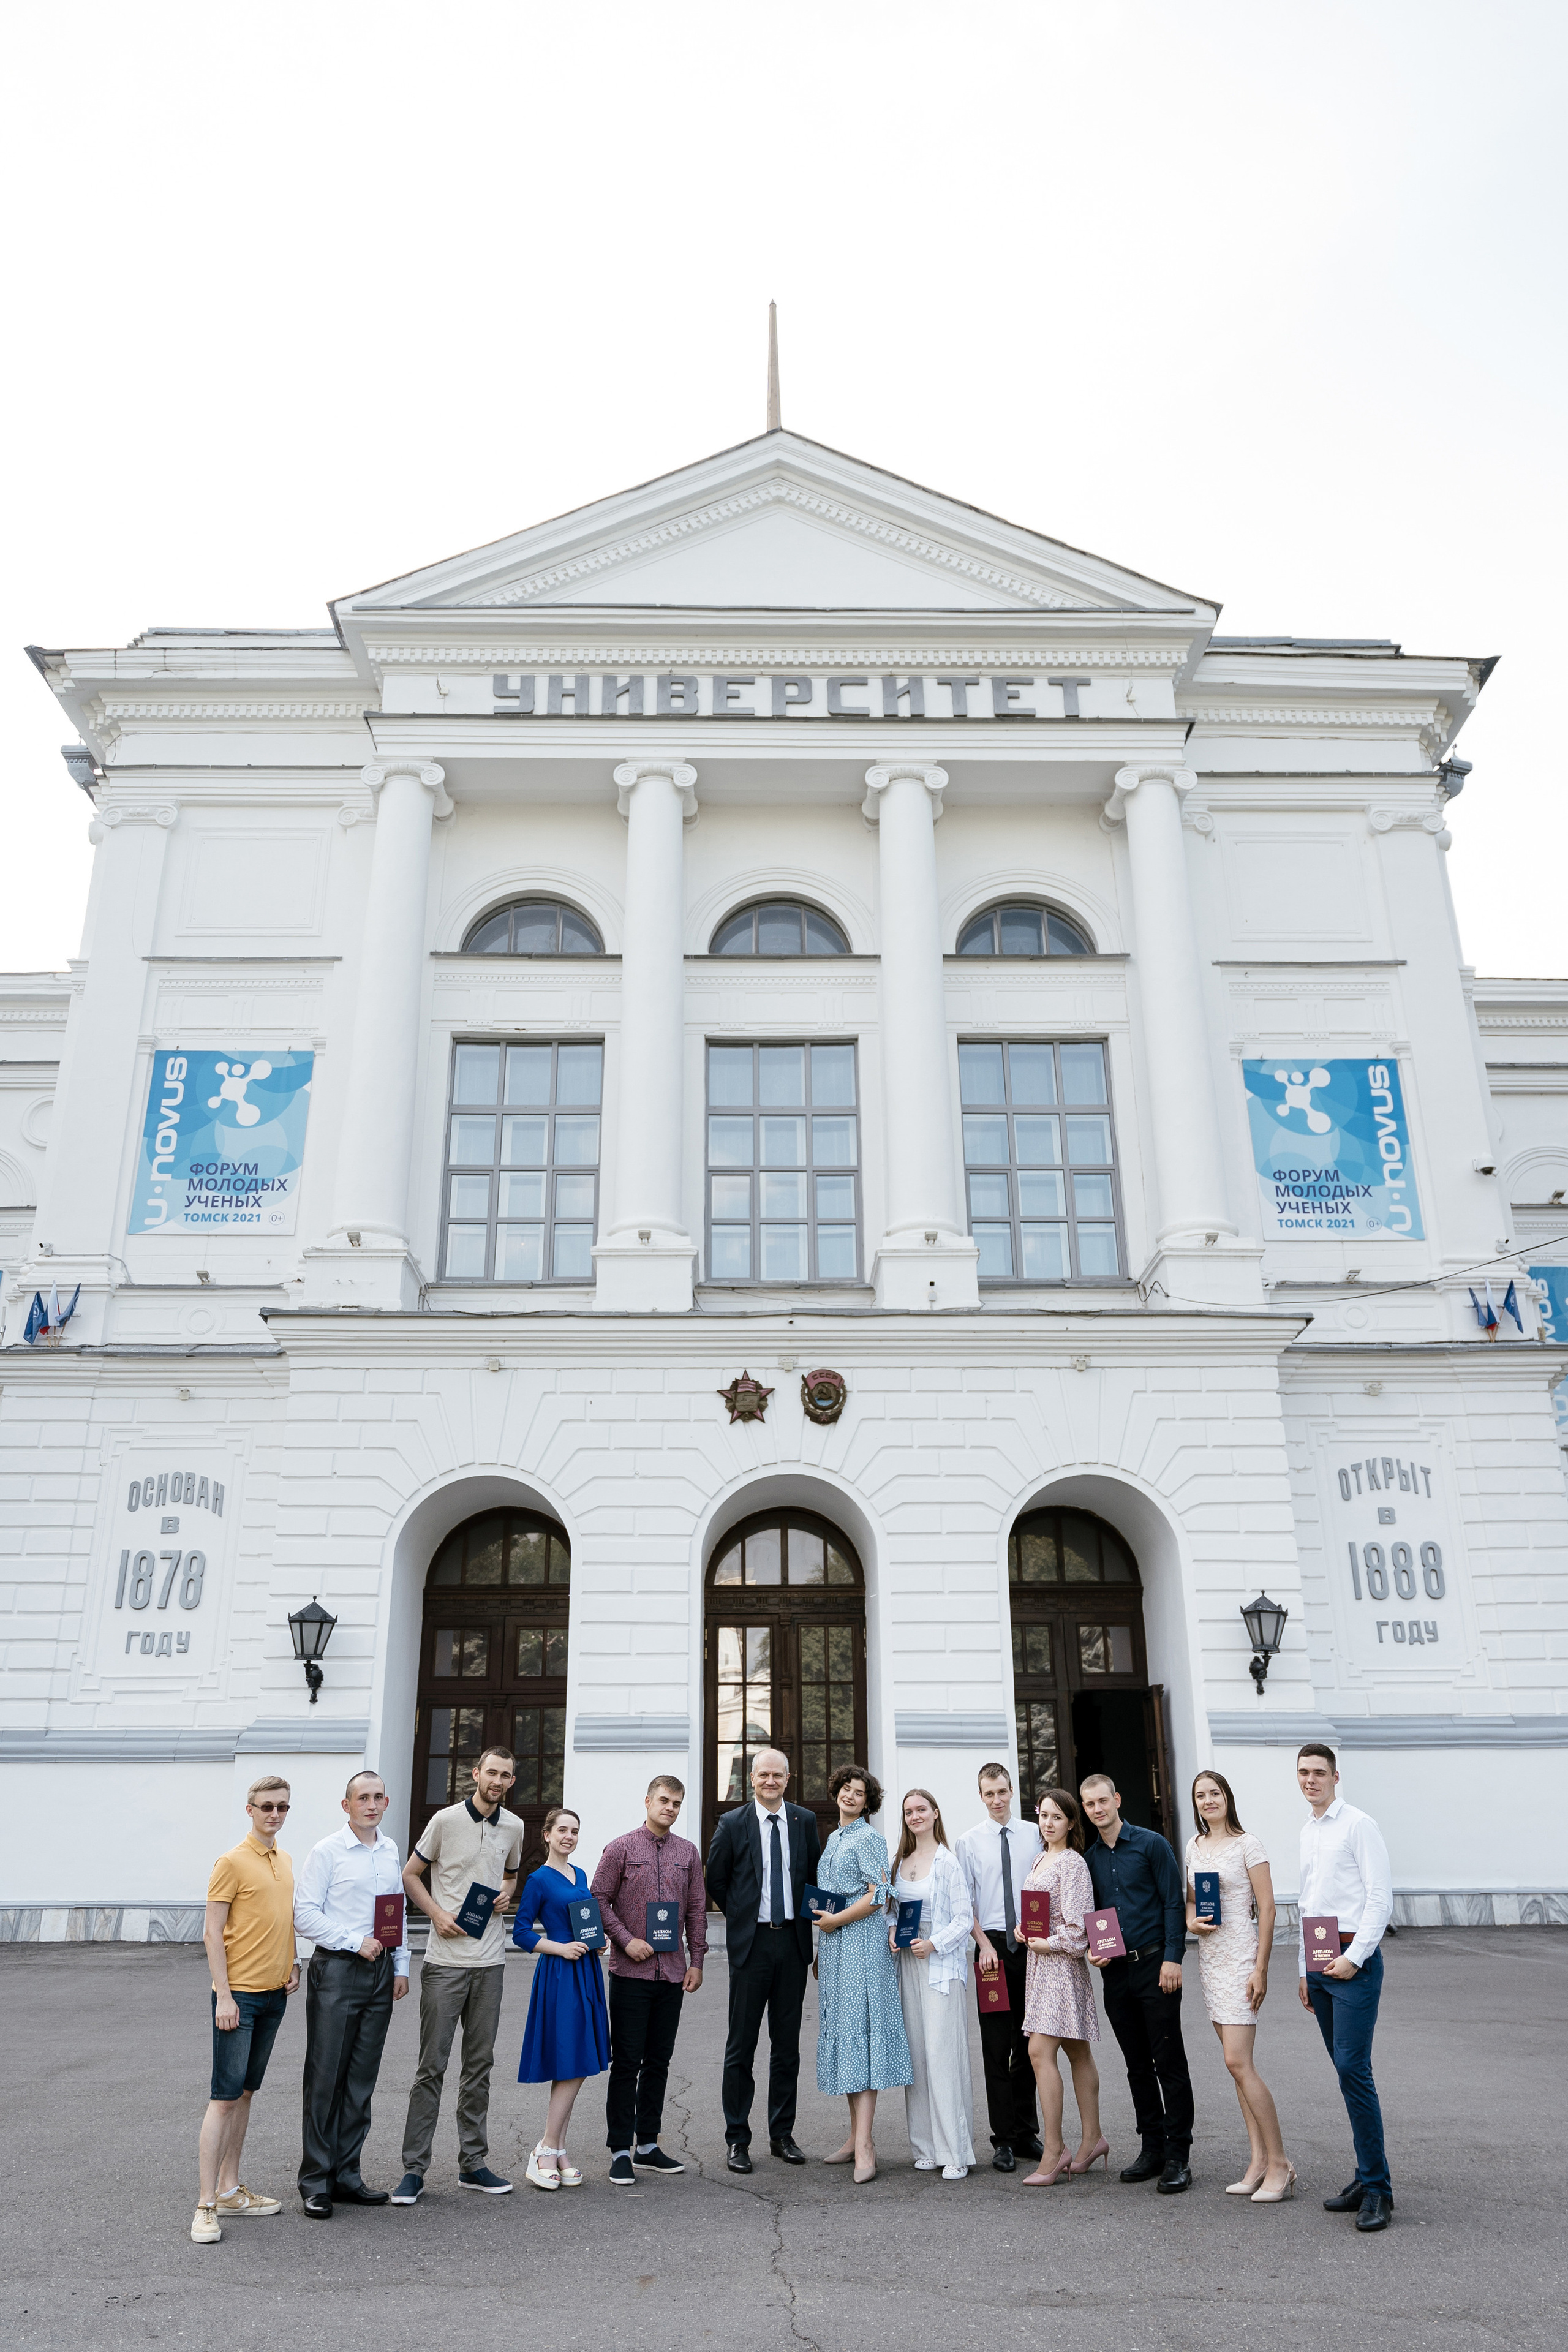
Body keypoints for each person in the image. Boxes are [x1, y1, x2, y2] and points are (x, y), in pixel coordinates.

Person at [392, 1744, 524, 2204]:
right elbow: (410, 1875)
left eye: (506, 1775)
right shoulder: (445, 1821)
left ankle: (473, 2163)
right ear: (476, 1774)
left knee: (479, 2067)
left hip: (491, 1964)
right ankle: (414, 2170)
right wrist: (435, 1914)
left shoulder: (515, 1826)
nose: (498, 1781)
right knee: (432, 2068)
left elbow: (509, 1876)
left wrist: (508, 1894)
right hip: (446, 1964)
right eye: (492, 1772)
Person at [294, 1770, 410, 2217]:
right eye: (363, 1798)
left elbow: (394, 1912)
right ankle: (315, 2180)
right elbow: (304, 1914)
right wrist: (352, 1940)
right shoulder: (327, 1851)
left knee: (361, 2080)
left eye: (379, 1797)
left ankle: (346, 2174)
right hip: (339, 1971)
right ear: (347, 1806)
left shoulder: (389, 1850)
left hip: (381, 1975)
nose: (372, 1804)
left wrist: (400, 1966)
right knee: (326, 2079)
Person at [191, 1775, 301, 2242]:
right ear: (250, 1809)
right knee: (223, 2098)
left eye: (282, 1807)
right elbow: (212, 1932)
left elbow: (283, 1917)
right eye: (266, 1807)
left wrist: (293, 1959)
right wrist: (225, 1995)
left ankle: (231, 2188)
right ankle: (205, 2206)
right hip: (239, 2000)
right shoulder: (231, 1861)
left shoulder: (285, 1860)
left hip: (276, 1994)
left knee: (246, 2094)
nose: (274, 1814)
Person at [704, 1746, 821, 2173]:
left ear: (788, 1780)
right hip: (751, 1946)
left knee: (786, 2047)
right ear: (751, 1779)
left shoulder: (804, 1821)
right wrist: (741, 1914)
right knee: (742, 2047)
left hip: (791, 1945)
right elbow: (715, 1877)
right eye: (763, 1775)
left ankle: (782, 2135)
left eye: (778, 1775)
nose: (770, 1781)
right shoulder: (733, 1823)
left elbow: (813, 1879)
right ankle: (737, 2139)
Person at [591, 1772, 707, 2185]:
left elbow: (696, 1909)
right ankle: (620, 2149)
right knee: (626, 2063)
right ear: (647, 1802)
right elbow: (598, 1898)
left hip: (672, 1972)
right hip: (630, 1972)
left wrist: (697, 1961)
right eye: (664, 1801)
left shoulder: (688, 1853)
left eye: (677, 1803)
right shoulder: (621, 1848)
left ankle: (648, 2145)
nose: (670, 1809)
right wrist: (624, 1940)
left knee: (658, 2062)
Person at [1295, 1743, 1394, 2233]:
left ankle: (1378, 2189)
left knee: (1355, 2070)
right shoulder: (1308, 1832)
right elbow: (1310, 1902)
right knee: (1345, 2071)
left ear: (1336, 1776)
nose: (1310, 1780)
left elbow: (1380, 1896)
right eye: (1303, 1773)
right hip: (1319, 1962)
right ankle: (1364, 2175)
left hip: (1353, 1962)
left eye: (1318, 1773)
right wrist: (1303, 1970)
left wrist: (1355, 1959)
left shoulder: (1358, 1824)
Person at [1080, 1772, 1194, 2193]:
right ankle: (1152, 2148)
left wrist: (1172, 1959)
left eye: (1103, 1801)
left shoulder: (1151, 1844)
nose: (1097, 1809)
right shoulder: (1090, 1859)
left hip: (1155, 1967)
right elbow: (1092, 1917)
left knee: (1169, 2062)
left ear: (1117, 1799)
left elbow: (1172, 1902)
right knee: (1136, 2066)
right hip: (1116, 1972)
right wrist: (1094, 1950)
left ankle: (1179, 2155)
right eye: (1090, 1804)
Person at [1185, 1768, 1294, 2202]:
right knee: (1235, 2066)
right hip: (1210, 1959)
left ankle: (1281, 2164)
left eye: (1214, 1793)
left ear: (1227, 1797)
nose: (1207, 1801)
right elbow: (1192, 1899)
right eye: (1200, 1796)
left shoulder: (1249, 1845)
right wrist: (1192, 1921)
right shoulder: (1194, 1846)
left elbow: (1266, 1910)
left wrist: (1261, 1968)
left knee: (1238, 2062)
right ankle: (1257, 2161)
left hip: (1241, 1960)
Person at [812, 1763, 911, 2182]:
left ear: (869, 1802)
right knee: (846, 2037)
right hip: (836, 1949)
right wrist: (822, 1945)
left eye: (859, 1792)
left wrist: (836, 1923)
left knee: (862, 2036)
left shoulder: (870, 1837)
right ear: (836, 1792)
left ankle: (867, 2144)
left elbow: (879, 1894)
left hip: (862, 1947)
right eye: (846, 1789)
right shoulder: (835, 1837)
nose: (851, 1796)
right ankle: (855, 2136)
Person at [511, 1804, 610, 2188]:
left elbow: (586, 1922)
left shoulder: (580, 1873)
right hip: (559, 1972)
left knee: (581, 2058)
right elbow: (520, 1933)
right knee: (570, 2058)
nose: (569, 1836)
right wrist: (560, 1947)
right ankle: (545, 2149)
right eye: (562, 1830)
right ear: (547, 1835)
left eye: (574, 1831)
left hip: (585, 1969)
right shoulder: (538, 1879)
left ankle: (559, 2148)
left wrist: (594, 1944)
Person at [954, 1761, 1044, 2172]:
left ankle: (1027, 2133)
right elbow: (965, 1903)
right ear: (981, 1796)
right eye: (989, 1793)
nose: (996, 1800)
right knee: (996, 2047)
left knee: (1030, 2043)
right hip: (991, 1949)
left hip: (1031, 1946)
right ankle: (1003, 2139)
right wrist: (984, 1945)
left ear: (1013, 1792)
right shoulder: (969, 1842)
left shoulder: (1035, 1833)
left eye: (1002, 1792)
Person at [888, 1788, 974, 2179]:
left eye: (921, 1809)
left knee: (942, 2055)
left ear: (936, 1813)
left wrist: (934, 1943)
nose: (915, 1816)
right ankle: (924, 2147)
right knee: (917, 2056)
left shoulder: (947, 1862)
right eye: (909, 1811)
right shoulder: (900, 1861)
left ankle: (954, 2151)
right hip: (907, 1963)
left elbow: (963, 1918)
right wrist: (893, 1932)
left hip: (939, 1965)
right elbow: (891, 1910)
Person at [1020, 1787, 1104, 2185]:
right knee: (1077, 2051)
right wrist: (1025, 1930)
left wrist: (1047, 1942)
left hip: (1060, 1967)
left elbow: (1078, 1930)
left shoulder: (1072, 1863)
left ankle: (1055, 2150)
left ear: (1071, 1822)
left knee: (1039, 2051)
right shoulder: (1041, 1858)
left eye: (1057, 1817)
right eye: (1044, 1816)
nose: (1048, 1823)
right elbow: (1039, 1913)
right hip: (1039, 1965)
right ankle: (1093, 2140)